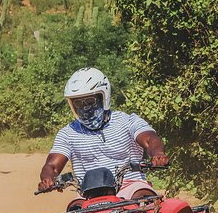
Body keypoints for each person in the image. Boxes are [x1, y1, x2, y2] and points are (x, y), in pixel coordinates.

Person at [38, 67, 170, 199]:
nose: (85, 109)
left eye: (90, 102)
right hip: (88, 194)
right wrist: (48, 178)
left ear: (104, 97)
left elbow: (150, 139)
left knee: (142, 197)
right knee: (74, 210)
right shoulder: (67, 133)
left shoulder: (127, 121)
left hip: (130, 187)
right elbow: (52, 166)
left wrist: (158, 154)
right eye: (78, 103)